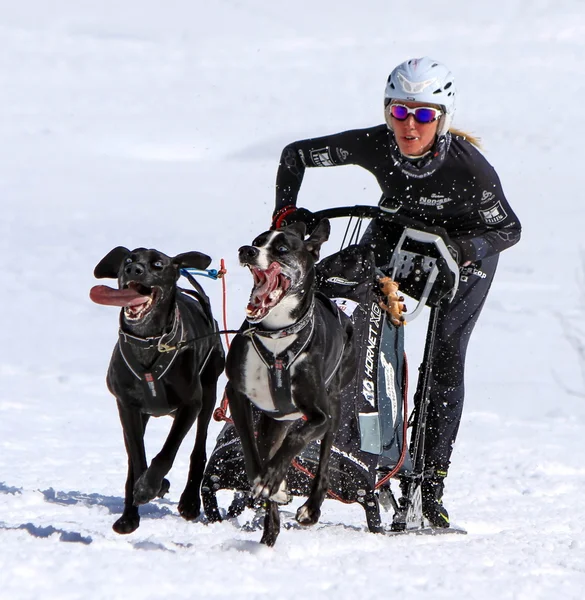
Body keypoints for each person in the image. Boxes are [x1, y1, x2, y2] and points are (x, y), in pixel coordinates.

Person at [270, 56, 521, 528]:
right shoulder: (375, 144)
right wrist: (285, 215)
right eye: (399, 112)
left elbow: (509, 229)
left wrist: (464, 247)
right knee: (338, 303)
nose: (410, 126)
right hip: (396, 232)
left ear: (442, 119)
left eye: (424, 115)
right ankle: (331, 446)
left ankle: (430, 486)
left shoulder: (471, 170)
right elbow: (294, 155)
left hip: (463, 255)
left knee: (446, 355)